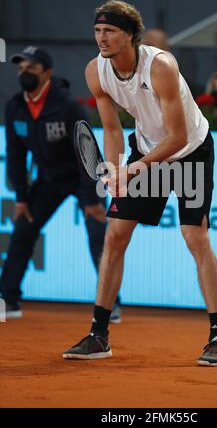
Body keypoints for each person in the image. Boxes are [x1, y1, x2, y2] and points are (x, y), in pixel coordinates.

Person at [63, 0, 217, 366]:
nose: (101, 38)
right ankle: (98, 334)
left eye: (109, 31)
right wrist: (112, 168)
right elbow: (111, 128)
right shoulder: (96, 71)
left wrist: (134, 169)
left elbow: (177, 136)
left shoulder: (161, 66)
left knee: (195, 236)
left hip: (189, 151)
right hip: (145, 151)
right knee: (115, 234)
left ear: (130, 35)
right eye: (97, 31)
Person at [0, 46, 121, 323]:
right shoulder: (15, 106)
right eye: (20, 68)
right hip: (49, 180)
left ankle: (110, 304)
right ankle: (8, 299)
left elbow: (87, 151)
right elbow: (16, 156)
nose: (24, 72)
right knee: (23, 229)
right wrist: (21, 197)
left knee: (98, 235)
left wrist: (91, 198)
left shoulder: (67, 105)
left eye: (31, 67)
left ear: (47, 73)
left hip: (84, 178)